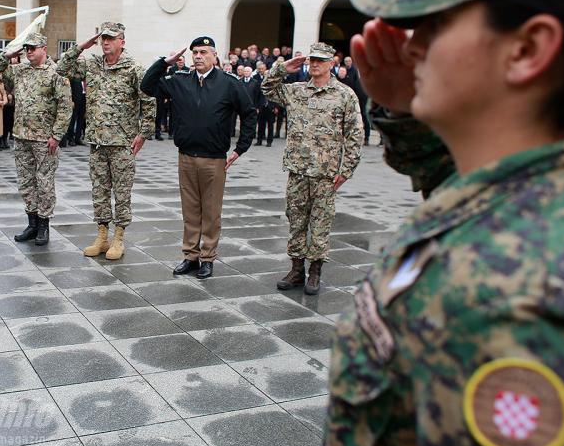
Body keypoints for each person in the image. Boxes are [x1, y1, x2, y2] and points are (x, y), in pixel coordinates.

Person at [322, 0, 564, 446]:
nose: (413, 44)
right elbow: (471, 191)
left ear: (527, 48)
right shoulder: (531, 197)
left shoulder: (515, 295)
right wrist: (407, 109)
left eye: (438, 22)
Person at [141, 36, 256, 279]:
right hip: (186, 157)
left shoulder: (229, 83)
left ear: (215, 56)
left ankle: (207, 257)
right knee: (190, 210)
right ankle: (190, 256)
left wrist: (240, 148)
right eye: (195, 52)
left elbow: (249, 113)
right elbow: (147, 86)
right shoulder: (180, 80)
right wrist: (164, 62)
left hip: (214, 159)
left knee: (211, 212)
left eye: (204, 52)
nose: (198, 56)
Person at [261, 42, 363, 294]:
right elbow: (266, 88)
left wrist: (346, 169)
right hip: (298, 170)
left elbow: (355, 134)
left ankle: (315, 271)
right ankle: (296, 269)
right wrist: (282, 68)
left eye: (320, 60)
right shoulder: (295, 91)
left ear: (331, 64)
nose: (315, 64)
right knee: (295, 220)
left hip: (326, 174)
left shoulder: (345, 95)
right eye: (312, 60)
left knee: (320, 224)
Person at [57, 21, 156, 260]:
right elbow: (62, 67)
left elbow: (149, 101)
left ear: (122, 41)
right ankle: (102, 235)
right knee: (99, 191)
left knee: (122, 193)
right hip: (98, 142)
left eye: (111, 38)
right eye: (103, 38)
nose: (106, 42)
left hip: (123, 143)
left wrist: (144, 133)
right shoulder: (92, 65)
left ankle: (118, 237)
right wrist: (83, 45)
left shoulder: (133, 68)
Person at [0, 33, 72, 246]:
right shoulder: (19, 71)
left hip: (44, 139)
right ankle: (32, 223)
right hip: (21, 136)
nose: (28, 52)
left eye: (32, 48)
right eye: (26, 48)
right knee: (26, 182)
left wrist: (57, 135)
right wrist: (8, 55)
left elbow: (65, 107)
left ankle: (44, 225)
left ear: (44, 48)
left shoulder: (56, 72)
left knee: (44, 182)